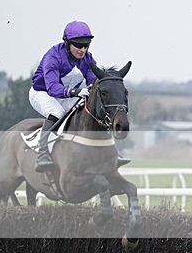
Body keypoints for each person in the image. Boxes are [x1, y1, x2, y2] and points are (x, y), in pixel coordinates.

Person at [29, 20, 130, 173]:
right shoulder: (53, 56)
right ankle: (42, 154)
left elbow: (92, 81)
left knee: (90, 111)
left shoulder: (87, 59)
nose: (82, 49)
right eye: (78, 45)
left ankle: (110, 152)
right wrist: (75, 92)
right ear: (68, 43)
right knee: (56, 112)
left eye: (86, 45)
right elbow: (52, 87)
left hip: (66, 95)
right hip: (42, 93)